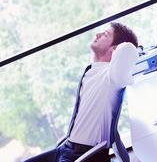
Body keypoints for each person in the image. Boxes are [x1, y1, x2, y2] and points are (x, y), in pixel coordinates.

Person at [25, 22, 138, 162]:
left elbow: (129, 49)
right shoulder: (91, 72)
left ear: (114, 49)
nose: (97, 35)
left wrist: (119, 47)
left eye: (105, 34)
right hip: (65, 147)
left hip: (83, 154)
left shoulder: (112, 76)